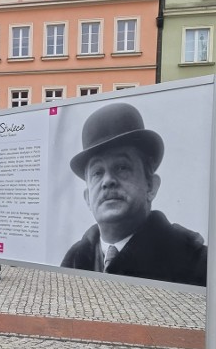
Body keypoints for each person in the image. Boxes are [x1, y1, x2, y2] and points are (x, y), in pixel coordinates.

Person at [61, 102, 207, 286]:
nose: (107, 181)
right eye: (97, 172)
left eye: (122, 167)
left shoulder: (195, 262)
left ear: (151, 186)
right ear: (87, 198)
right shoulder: (73, 262)